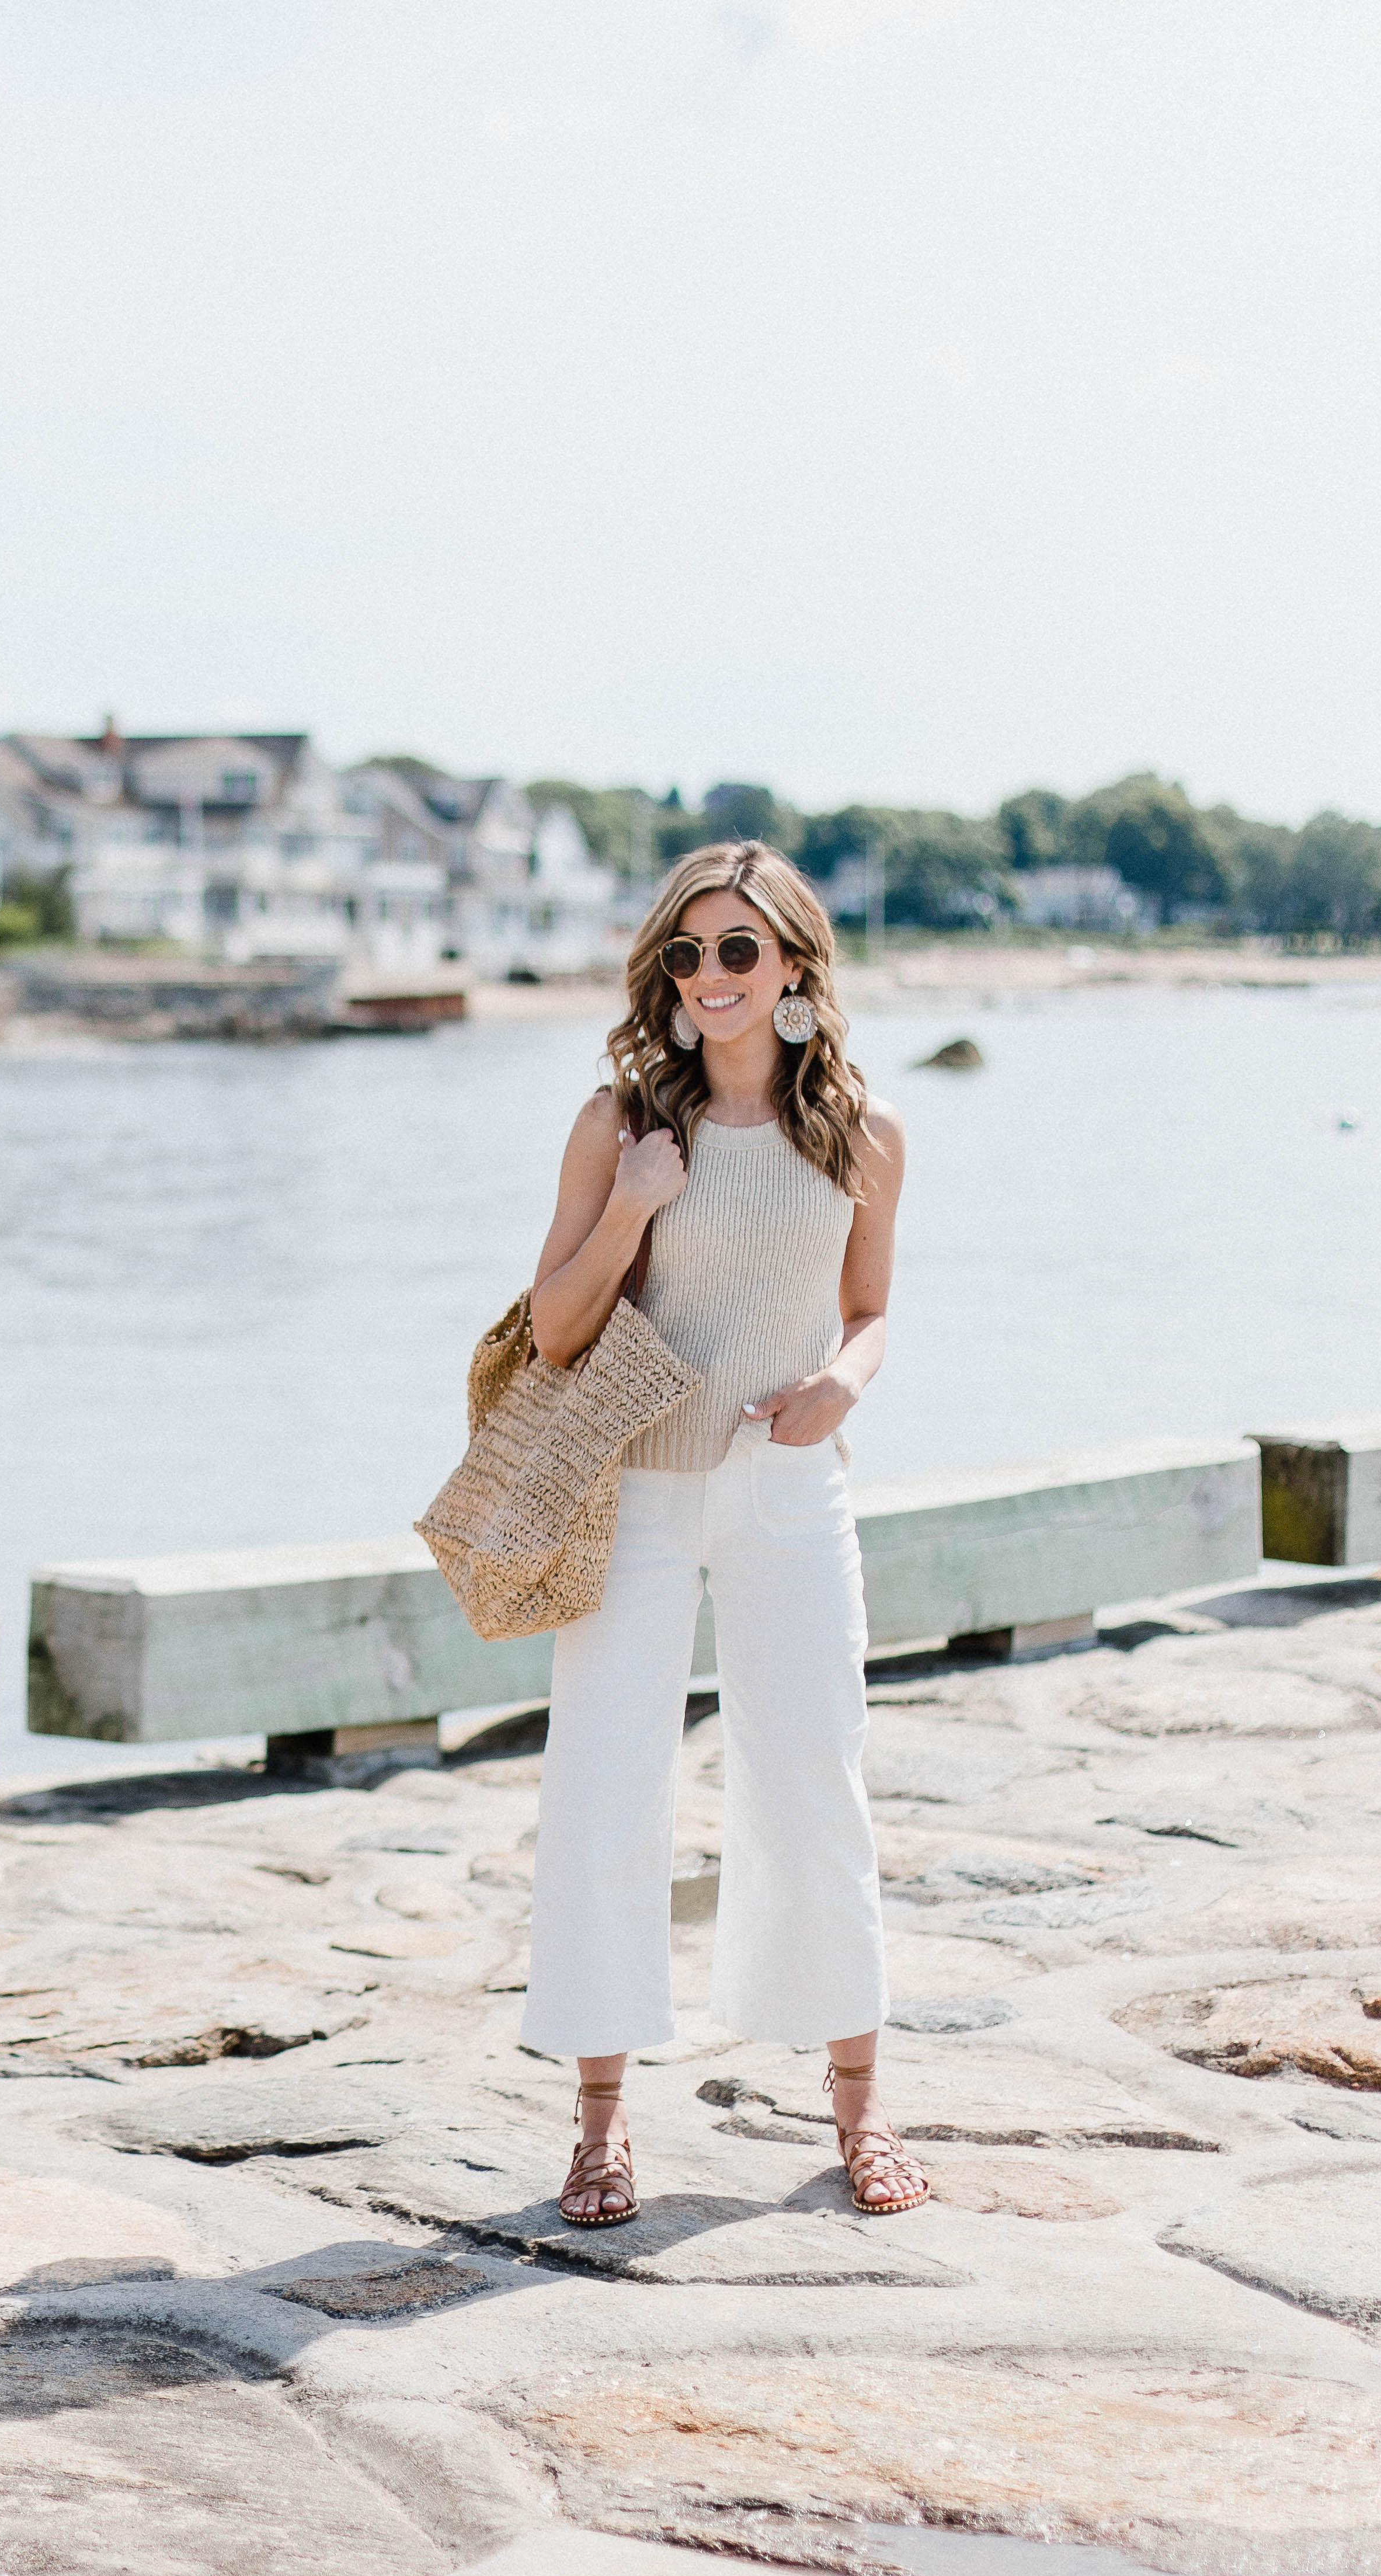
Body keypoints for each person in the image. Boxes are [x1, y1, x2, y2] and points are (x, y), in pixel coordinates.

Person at [516, 842, 926, 2223]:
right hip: (632, 1483)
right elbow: (555, 1326)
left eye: (738, 950)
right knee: (605, 1788)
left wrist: (838, 1387)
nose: (708, 977)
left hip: (790, 1484)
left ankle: (861, 2111)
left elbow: (871, 1311)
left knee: (814, 1780)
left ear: (797, 965)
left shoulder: (861, 1133)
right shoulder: (619, 1117)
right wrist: (634, 1195)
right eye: (686, 953)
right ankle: (600, 2125)